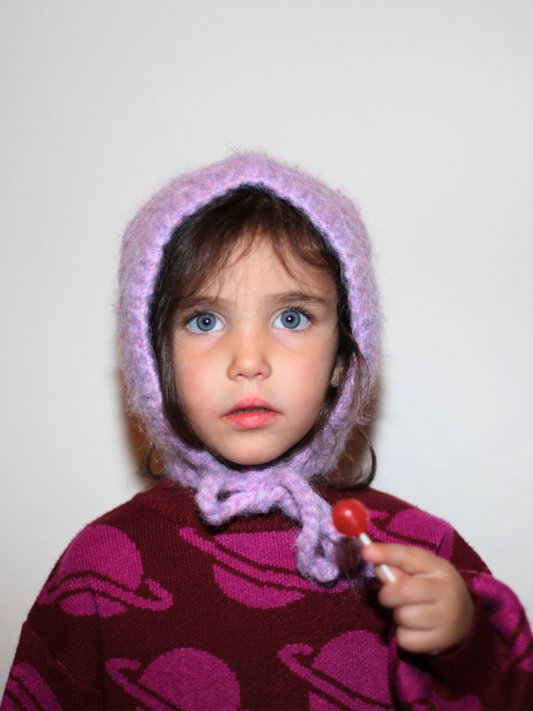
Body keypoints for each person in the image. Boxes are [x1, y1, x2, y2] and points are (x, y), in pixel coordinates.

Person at [2, 153, 532, 711]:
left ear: (341, 358)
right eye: (204, 320)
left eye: (292, 317)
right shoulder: (102, 566)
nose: (249, 360)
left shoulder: (417, 554)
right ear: (153, 359)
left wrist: (462, 648)